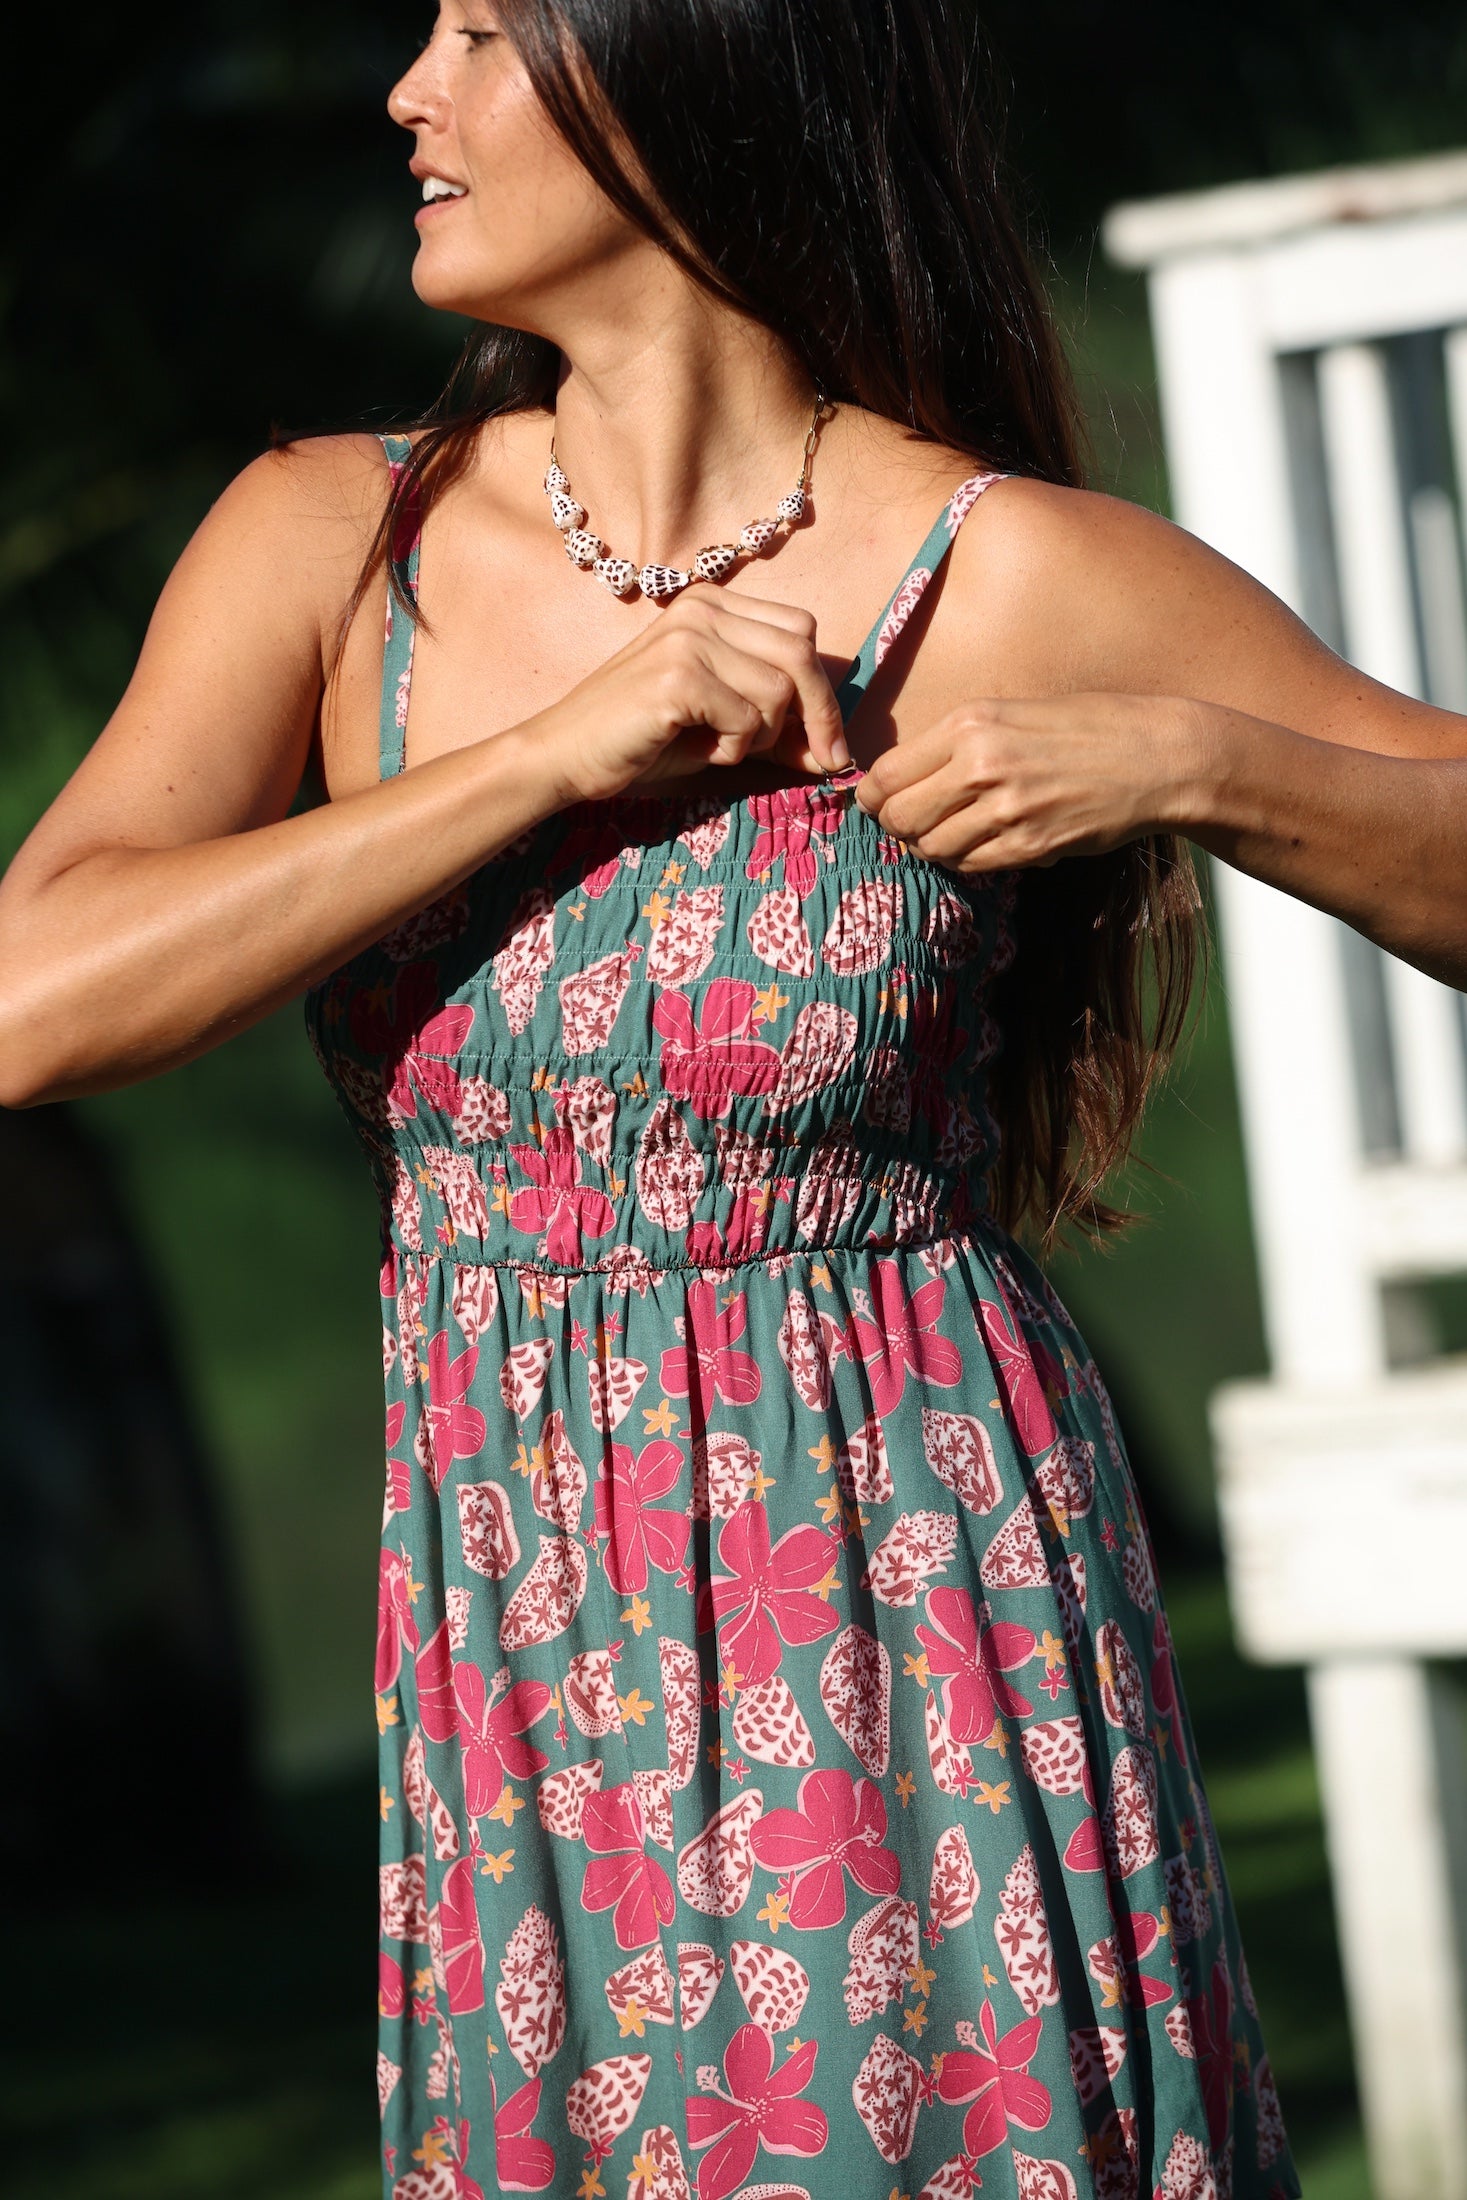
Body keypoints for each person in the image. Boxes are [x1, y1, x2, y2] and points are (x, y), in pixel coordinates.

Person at [2, 1, 1463, 2194]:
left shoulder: (997, 573)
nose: (409, 89)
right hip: (517, 1633)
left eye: (483, 32)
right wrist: (541, 755)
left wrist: (1197, 764)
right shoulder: (335, 544)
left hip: (907, 1594)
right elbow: (27, 995)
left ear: (687, 79)